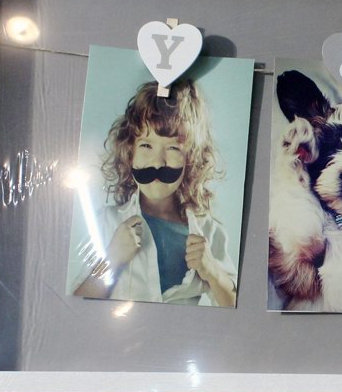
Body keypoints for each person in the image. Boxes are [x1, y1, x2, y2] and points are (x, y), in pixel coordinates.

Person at [72, 79, 237, 307]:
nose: (158, 162)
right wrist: (112, 259)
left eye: (173, 148)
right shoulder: (107, 223)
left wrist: (213, 272)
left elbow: (236, 307)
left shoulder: (209, 231)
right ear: (130, 152)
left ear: (191, 159)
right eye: (146, 146)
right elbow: (76, 305)